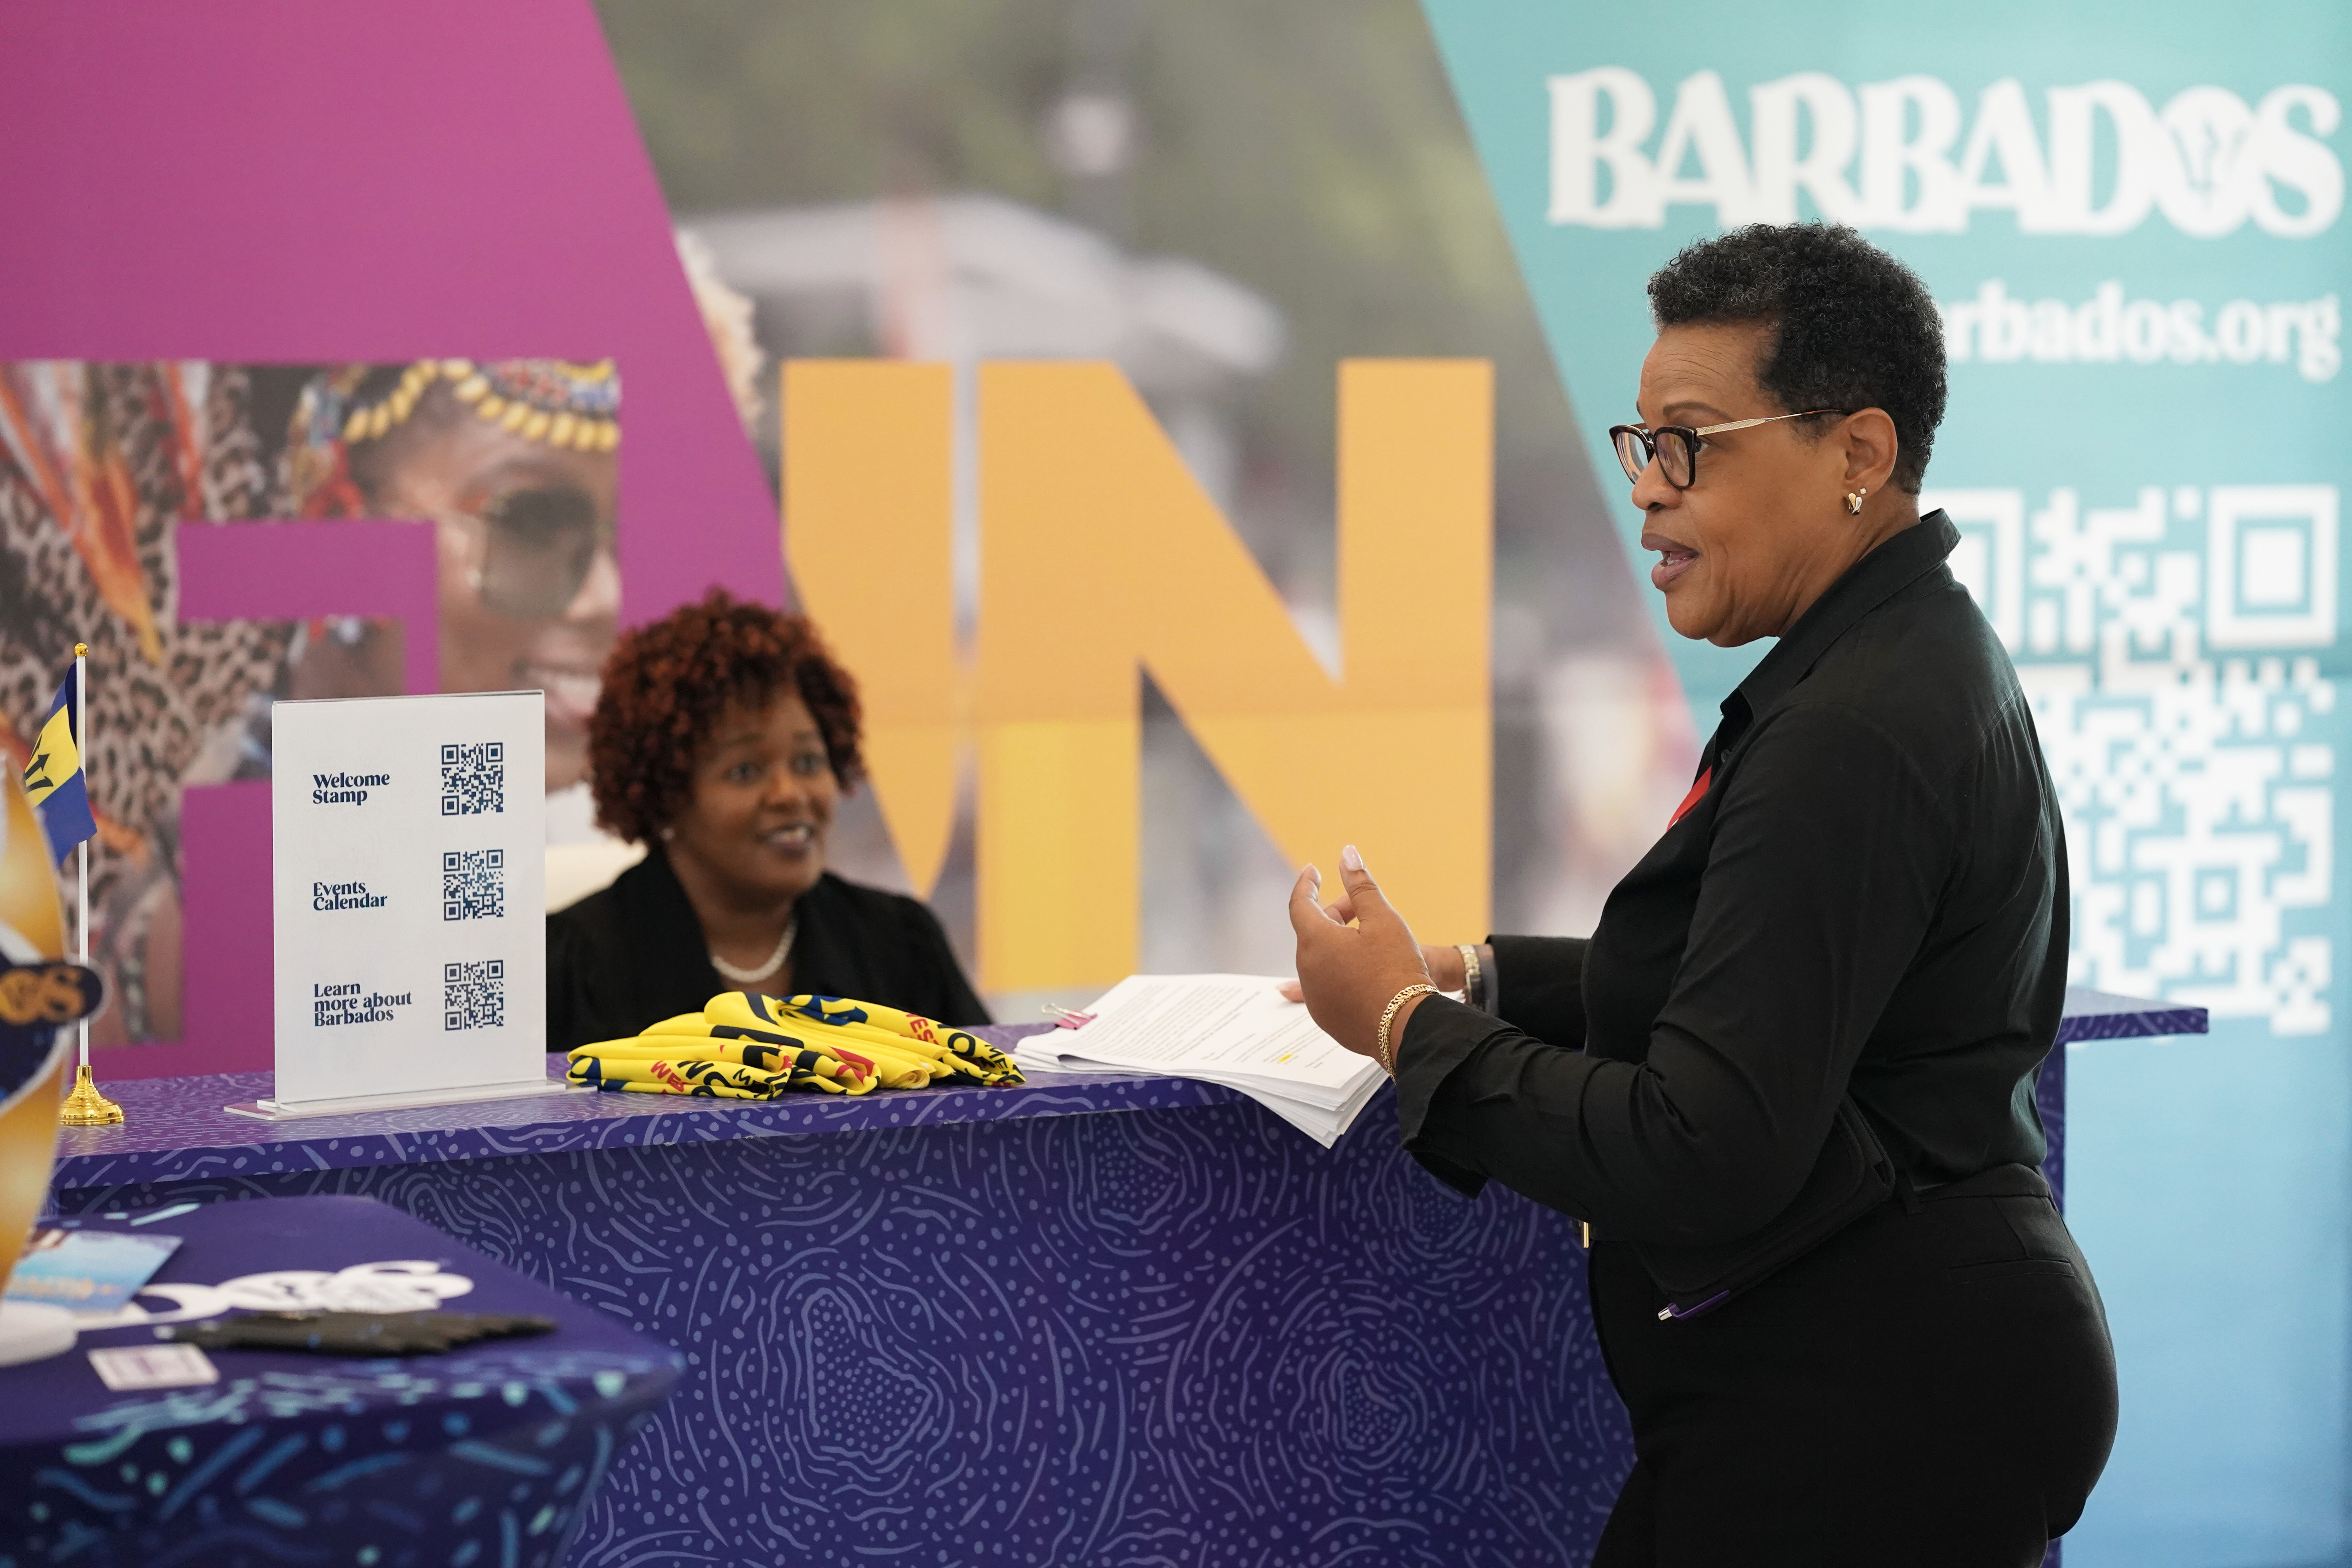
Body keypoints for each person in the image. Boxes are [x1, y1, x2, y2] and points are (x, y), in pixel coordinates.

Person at [1288, 224, 2116, 1566]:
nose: (1647, 491)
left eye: (1690, 446)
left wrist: (1405, 1026)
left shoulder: (1857, 723)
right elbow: (1764, 981)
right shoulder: (1889, 658)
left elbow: (1702, 1147)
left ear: (1858, 454)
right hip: (1872, 1382)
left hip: (1875, 1407)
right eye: (1641, 445)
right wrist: (1476, 978)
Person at [547, 588, 986, 1048]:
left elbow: (990, 1087)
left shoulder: (900, 945)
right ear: (666, 792)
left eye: (809, 762)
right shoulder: (573, 968)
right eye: (745, 771)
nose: (790, 794)